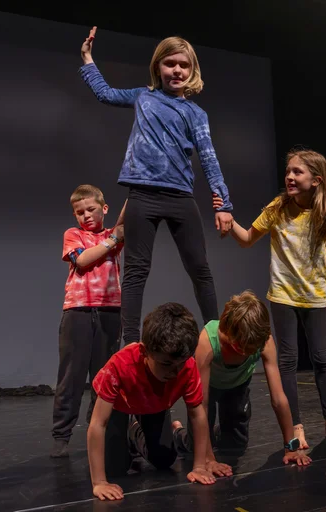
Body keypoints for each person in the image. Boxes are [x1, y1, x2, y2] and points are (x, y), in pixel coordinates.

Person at [213, 148, 326, 447]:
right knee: (287, 361)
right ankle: (296, 426)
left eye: (297, 172)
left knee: (321, 359)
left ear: (316, 180)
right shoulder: (278, 207)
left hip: (314, 296)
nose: (289, 176)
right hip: (283, 295)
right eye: (288, 171)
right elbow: (248, 238)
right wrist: (229, 219)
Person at [79, 26, 233, 343]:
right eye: (170, 63)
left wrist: (223, 203)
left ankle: (215, 337)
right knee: (136, 271)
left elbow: (208, 157)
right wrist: (87, 58)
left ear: (192, 71)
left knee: (200, 269)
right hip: (143, 196)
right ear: (158, 67)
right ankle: (132, 343)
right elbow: (105, 94)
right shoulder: (143, 97)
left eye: (183, 65)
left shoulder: (195, 113)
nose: (176, 70)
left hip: (180, 198)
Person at [87, 303, 233, 501]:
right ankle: (128, 428)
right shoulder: (120, 365)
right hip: (117, 406)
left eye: (180, 364)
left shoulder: (187, 368)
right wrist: (99, 482)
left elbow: (198, 414)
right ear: (145, 352)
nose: (174, 372)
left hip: (154, 405)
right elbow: (98, 423)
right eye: (166, 364)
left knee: (164, 460)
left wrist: (199, 466)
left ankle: (134, 432)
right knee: (116, 468)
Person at [194, 290, 312, 465]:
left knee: (235, 445)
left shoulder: (264, 341)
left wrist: (291, 448)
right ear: (230, 334)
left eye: (250, 349)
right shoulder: (208, 341)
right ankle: (180, 431)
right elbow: (200, 405)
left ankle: (217, 432)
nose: (245, 353)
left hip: (237, 387)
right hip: (208, 390)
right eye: (241, 347)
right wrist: (209, 459)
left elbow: (279, 399)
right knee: (194, 446)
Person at [51, 184, 124, 458]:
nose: (86, 216)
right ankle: (61, 435)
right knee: (71, 377)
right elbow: (82, 261)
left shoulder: (114, 234)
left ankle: (98, 430)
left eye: (91, 209)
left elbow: (128, 219)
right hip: (78, 311)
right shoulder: (74, 235)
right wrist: (112, 240)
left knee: (103, 377)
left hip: (109, 311)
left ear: (104, 209)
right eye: (80, 212)